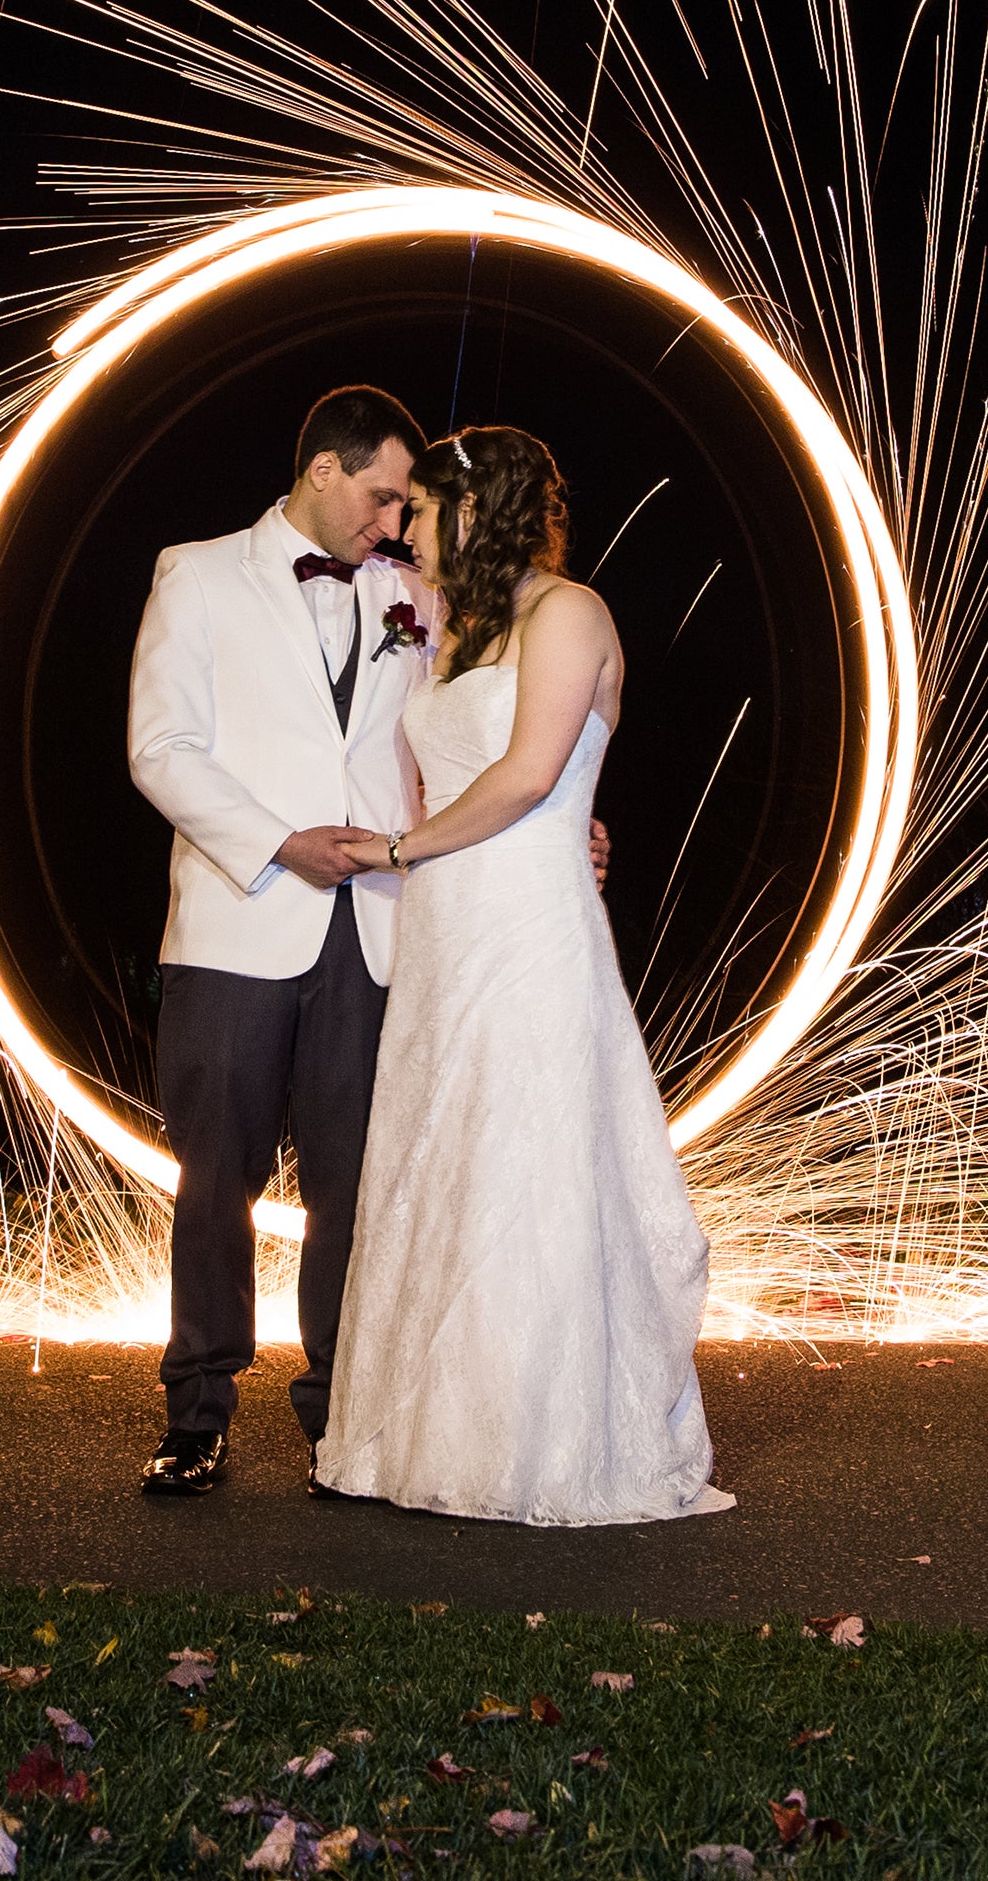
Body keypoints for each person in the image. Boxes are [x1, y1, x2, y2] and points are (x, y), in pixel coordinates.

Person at [311, 423, 732, 1524]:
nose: (406, 531)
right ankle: (420, 1433)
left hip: (530, 925)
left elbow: (532, 770)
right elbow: (428, 767)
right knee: (440, 1161)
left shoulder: (570, 613)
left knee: (528, 1159)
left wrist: (399, 851)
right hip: (448, 929)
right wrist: (407, 848)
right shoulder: (454, 629)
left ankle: (541, 1441)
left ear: (476, 508)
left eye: (424, 510)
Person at [120, 384, 426, 1496]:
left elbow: (460, 740)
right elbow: (160, 748)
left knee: (355, 1184)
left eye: (404, 507)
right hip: (236, 925)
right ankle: (196, 1414)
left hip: (373, 936)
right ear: (323, 470)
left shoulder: (414, 598)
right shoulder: (196, 574)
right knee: (217, 1183)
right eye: (383, 497)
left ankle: (339, 1417)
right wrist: (278, 842)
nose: (393, 524)